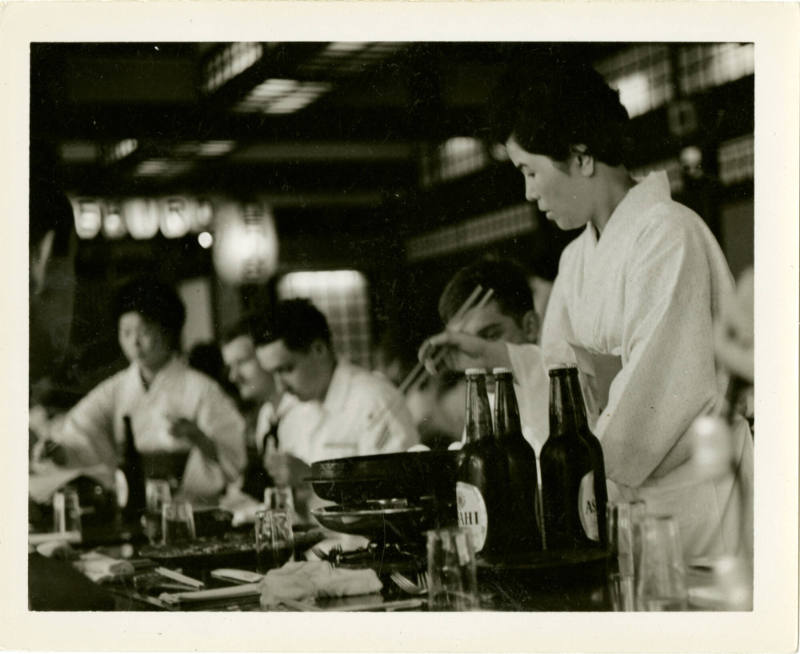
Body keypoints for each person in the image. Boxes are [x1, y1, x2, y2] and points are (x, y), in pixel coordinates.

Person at [420, 58, 753, 562]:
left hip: (693, 505)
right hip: (618, 501)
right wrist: (494, 354)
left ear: (580, 157)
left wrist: (562, 477)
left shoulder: (668, 234)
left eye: (530, 171)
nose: (529, 192)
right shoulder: (576, 258)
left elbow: (656, 395)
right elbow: (561, 378)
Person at [40, 276, 246, 503]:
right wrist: (60, 451)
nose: (134, 343)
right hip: (132, 499)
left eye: (144, 332)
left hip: (192, 502)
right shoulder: (115, 389)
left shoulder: (201, 388)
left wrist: (197, 436)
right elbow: (81, 429)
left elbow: (234, 455)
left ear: (167, 332)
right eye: (126, 333)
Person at [255, 298, 419, 473]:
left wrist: (309, 479)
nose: (280, 387)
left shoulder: (374, 400)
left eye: (286, 369)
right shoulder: (290, 409)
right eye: (273, 373)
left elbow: (398, 486)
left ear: (319, 349)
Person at [434, 257, 548, 454]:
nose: (476, 358)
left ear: (530, 326)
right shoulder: (485, 406)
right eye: (464, 346)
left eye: (489, 336)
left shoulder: (557, 375)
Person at [220, 315, 317, 502]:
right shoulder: (266, 415)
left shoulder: (307, 409)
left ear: (267, 357)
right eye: (230, 366)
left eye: (242, 362)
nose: (233, 376)